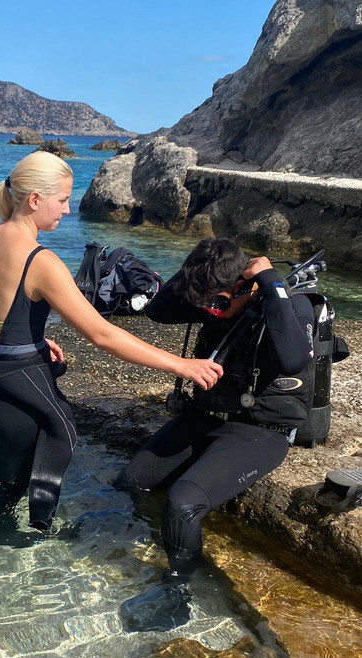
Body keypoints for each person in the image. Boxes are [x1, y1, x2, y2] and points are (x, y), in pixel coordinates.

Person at [0, 151, 223, 531]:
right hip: (19, 388)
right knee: (61, 435)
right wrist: (181, 364)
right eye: (63, 200)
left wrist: (30, 338)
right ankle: (38, 535)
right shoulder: (42, 261)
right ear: (35, 199)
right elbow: (102, 335)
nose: (68, 210)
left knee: (2, 485)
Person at [113, 238, 315, 630]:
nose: (213, 313)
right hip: (204, 416)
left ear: (245, 284)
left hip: (260, 429)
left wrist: (269, 280)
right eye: (207, 307)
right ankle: (155, 547)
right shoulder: (213, 295)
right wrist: (198, 266)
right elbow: (158, 311)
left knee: (183, 502)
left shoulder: (286, 304)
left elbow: (294, 357)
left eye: (220, 304)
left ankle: (178, 590)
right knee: (131, 481)